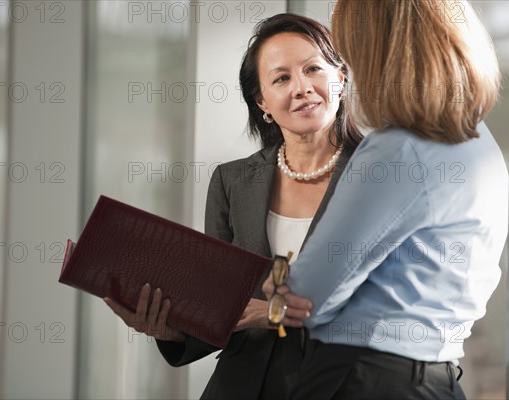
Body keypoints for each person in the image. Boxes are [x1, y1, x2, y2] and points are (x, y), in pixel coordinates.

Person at [104, 13, 363, 399]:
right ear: (262, 101)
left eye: (313, 69)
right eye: (281, 78)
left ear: (339, 77)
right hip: (245, 384)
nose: (303, 87)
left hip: (347, 383)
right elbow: (222, 304)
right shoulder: (232, 181)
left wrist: (272, 311)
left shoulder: (378, 175)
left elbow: (387, 298)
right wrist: (169, 330)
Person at [262, 1, 508, 399]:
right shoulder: (480, 144)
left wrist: (280, 290)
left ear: (375, 51)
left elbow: (306, 296)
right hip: (437, 378)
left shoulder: (398, 150)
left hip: (363, 377)